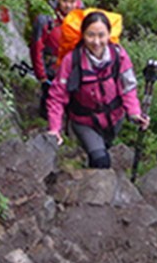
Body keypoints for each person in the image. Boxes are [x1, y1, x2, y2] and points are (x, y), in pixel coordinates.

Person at [46, 11, 149, 169]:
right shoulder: (71, 61)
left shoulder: (118, 55)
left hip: (114, 119)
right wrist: (55, 128)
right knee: (101, 161)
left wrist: (134, 113)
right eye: (90, 35)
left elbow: (128, 87)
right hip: (84, 122)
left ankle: (89, 171)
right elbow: (57, 97)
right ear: (83, 35)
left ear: (109, 34)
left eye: (101, 35)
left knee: (103, 150)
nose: (96, 41)